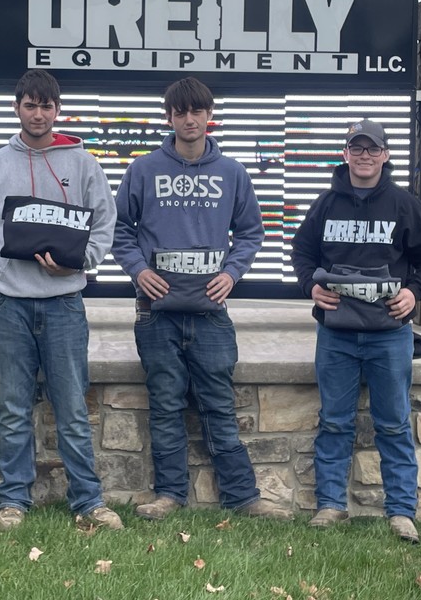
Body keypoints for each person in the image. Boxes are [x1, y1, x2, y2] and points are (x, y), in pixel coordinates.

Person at [112, 76, 289, 521]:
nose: (189, 120)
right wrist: (140, 270)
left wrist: (231, 273)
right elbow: (119, 231)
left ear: (210, 116)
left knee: (219, 407)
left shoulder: (232, 173)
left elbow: (251, 233)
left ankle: (244, 497)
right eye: (180, 112)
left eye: (197, 111)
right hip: (156, 316)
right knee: (166, 406)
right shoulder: (143, 170)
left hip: (211, 316)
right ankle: (170, 495)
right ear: (169, 117)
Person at [0, 68, 123, 532]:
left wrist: (81, 262)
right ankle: (13, 500)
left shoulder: (83, 163)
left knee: (72, 408)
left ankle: (88, 501)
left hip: (64, 305)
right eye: (29, 105)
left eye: (46, 105)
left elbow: (104, 223)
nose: (38, 113)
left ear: (57, 109)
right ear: (17, 108)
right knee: (13, 409)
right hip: (7, 303)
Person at [291, 119, 421, 544]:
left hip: (389, 334)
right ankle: (330, 506)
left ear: (385, 155)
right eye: (355, 148)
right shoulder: (325, 204)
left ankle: (401, 513)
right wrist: (312, 287)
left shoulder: (403, 204)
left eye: (371, 149)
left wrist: (415, 293)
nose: (363, 155)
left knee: (393, 424)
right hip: (336, 334)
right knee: (335, 422)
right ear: (345, 154)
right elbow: (301, 253)